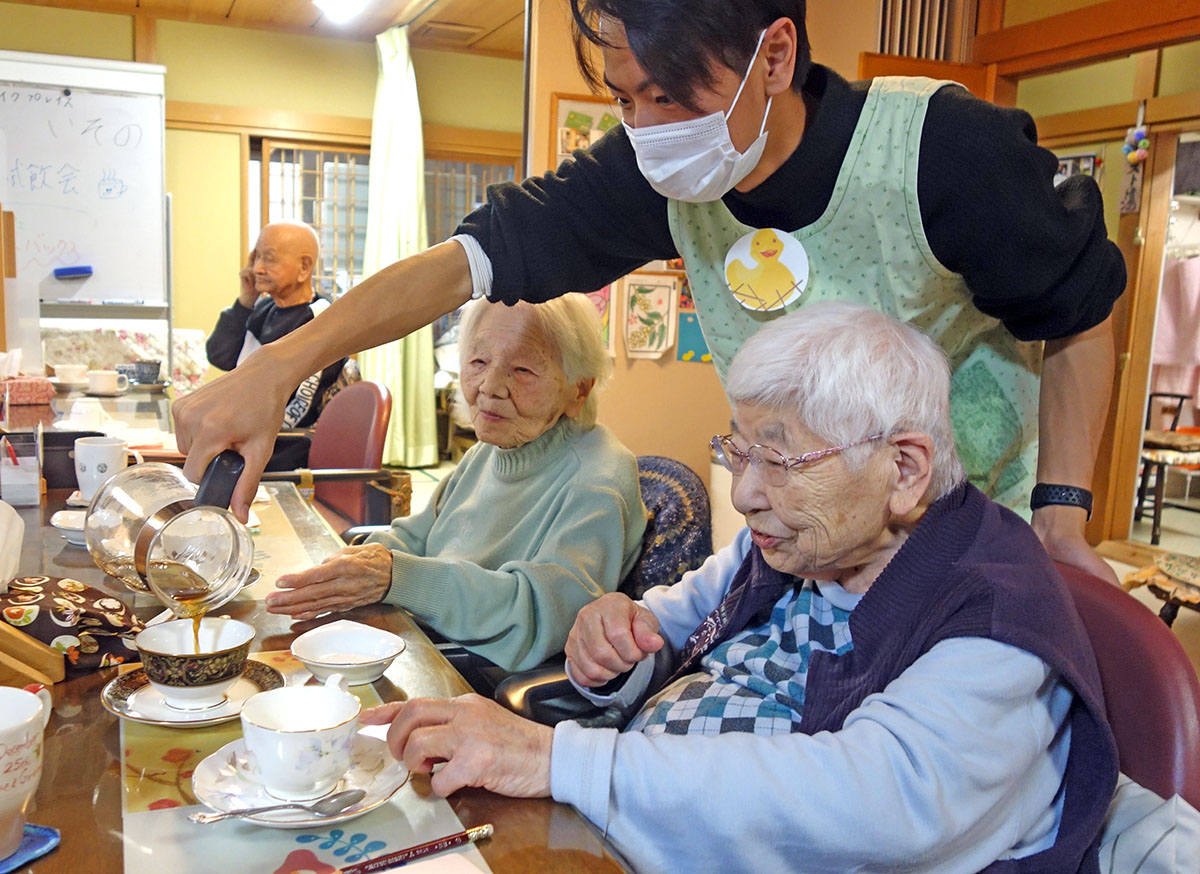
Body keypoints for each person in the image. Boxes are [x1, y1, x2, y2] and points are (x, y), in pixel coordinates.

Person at [175, 0, 1125, 584]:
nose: (646, 127)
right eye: (628, 98)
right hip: (811, 529)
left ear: (776, 54)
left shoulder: (943, 151)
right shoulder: (654, 170)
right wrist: (283, 368)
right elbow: (471, 259)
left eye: (674, 97)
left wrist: (1061, 514)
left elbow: (1079, 310)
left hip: (968, 531)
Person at [359, 302, 1118, 874]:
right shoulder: (801, 541)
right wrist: (613, 636)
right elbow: (670, 618)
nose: (745, 493)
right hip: (616, 827)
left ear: (905, 469)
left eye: (778, 460)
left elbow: (871, 797)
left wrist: (560, 760)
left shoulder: (990, 610)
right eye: (736, 450)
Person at [264, 294, 647, 673]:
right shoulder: (494, 448)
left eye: (523, 370)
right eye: (478, 361)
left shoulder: (599, 479)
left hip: (470, 676)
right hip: (417, 639)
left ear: (579, 389)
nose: (490, 387)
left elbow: (540, 617)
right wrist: (345, 569)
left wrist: (396, 577)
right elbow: (416, 538)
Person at [205, 220, 358, 467]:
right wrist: (246, 300)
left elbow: (299, 407)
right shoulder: (264, 308)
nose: (257, 269)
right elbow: (220, 356)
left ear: (304, 267)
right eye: (256, 257)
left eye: (269, 259)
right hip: (247, 439)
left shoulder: (320, 319)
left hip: (287, 447)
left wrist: (238, 438)